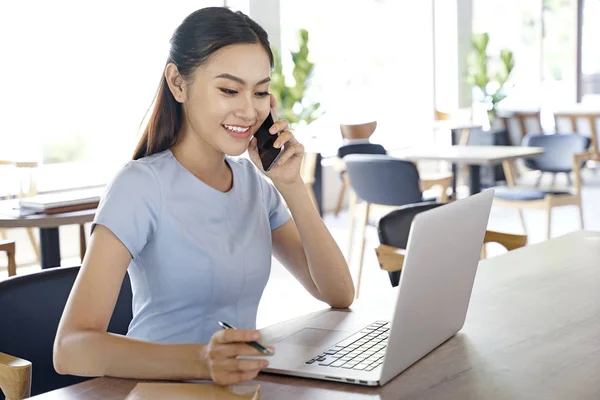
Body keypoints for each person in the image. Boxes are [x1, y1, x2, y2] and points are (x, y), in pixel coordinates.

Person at [53, 7, 354, 386]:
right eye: (229, 90)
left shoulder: (255, 186)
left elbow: (338, 293)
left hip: (232, 390)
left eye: (260, 91)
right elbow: (70, 348)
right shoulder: (140, 186)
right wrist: (202, 360)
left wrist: (290, 185)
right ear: (178, 84)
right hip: (155, 392)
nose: (248, 110)